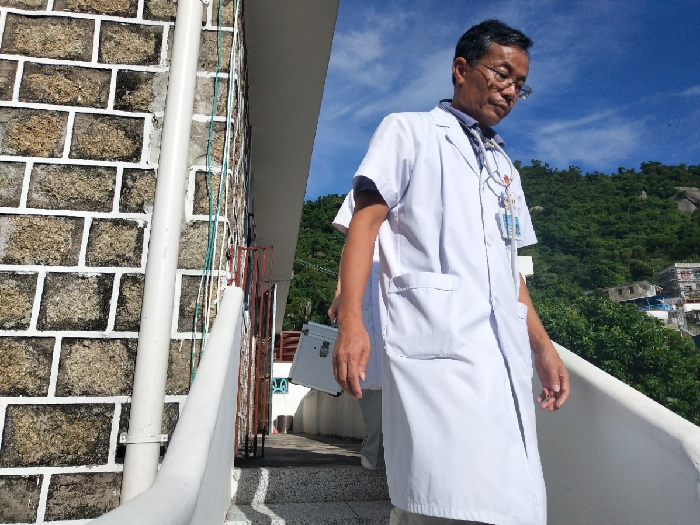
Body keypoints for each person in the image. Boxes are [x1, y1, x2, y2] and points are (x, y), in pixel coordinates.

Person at [332, 20, 570, 525]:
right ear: (461, 69)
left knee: (506, 497)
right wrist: (351, 320)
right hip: (437, 348)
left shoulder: (505, 169)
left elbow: (510, 270)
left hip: (500, 353)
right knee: (442, 500)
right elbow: (364, 226)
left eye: (520, 85)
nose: (510, 91)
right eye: (502, 74)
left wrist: (543, 347)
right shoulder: (408, 131)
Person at [329, 191, 385, 471]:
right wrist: (340, 294)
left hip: (403, 298)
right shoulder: (360, 191)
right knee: (369, 381)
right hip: (367, 296)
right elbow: (350, 246)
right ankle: (375, 453)